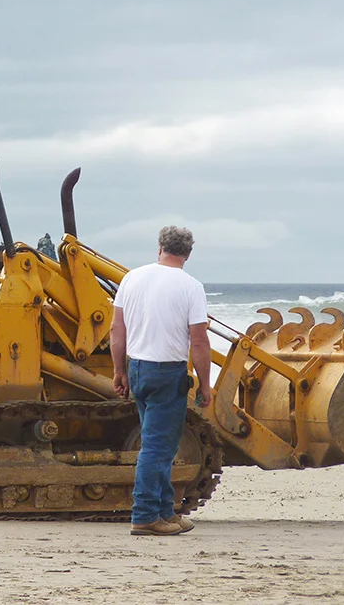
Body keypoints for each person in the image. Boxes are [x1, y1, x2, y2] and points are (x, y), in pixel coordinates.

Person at [110, 225, 211, 538]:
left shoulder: (132, 278)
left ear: (160, 248)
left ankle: (167, 511)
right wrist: (206, 384)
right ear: (188, 254)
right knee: (155, 447)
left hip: (138, 368)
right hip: (167, 372)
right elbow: (199, 341)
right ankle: (144, 515)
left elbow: (117, 331)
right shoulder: (190, 286)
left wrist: (119, 371)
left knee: (163, 444)